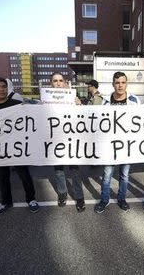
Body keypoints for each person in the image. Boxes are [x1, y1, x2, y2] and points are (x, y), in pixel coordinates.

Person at [0, 77, 39, 217]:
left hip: (18, 148)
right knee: (2, 177)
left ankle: (31, 199)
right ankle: (6, 202)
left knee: (24, 175)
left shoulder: (17, 105)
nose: (1, 89)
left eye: (4, 86)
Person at [94, 71, 140, 213]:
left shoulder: (134, 100)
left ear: (126, 84)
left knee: (124, 175)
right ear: (113, 84)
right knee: (107, 174)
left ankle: (121, 199)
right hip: (109, 146)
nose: (120, 85)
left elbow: (141, 122)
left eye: (123, 82)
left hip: (127, 146)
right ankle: (104, 200)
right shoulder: (105, 101)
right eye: (117, 82)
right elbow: (99, 121)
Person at [49, 72, 85, 212]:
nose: (58, 83)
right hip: (55, 141)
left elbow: (83, 118)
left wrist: (79, 105)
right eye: (55, 80)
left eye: (60, 80)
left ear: (65, 82)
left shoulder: (72, 98)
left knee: (75, 171)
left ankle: (79, 197)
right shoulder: (45, 100)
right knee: (58, 171)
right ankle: (62, 194)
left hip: (71, 141)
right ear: (51, 83)